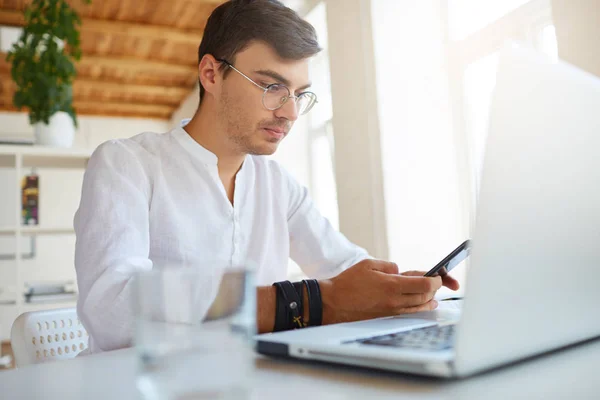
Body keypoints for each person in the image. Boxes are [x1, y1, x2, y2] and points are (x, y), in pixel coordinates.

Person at [74, 0, 459, 354]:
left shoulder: (277, 184)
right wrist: (308, 301)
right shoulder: (126, 164)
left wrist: (398, 288)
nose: (290, 112)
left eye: (299, 94)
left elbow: (343, 266)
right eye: (272, 86)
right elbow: (114, 311)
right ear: (211, 73)